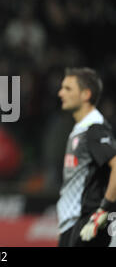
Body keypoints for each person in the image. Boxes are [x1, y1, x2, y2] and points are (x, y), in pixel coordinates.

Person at [57, 67, 116, 247]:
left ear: (85, 94)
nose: (60, 93)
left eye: (68, 89)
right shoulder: (81, 128)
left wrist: (103, 210)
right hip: (73, 224)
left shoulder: (94, 128)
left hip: (86, 223)